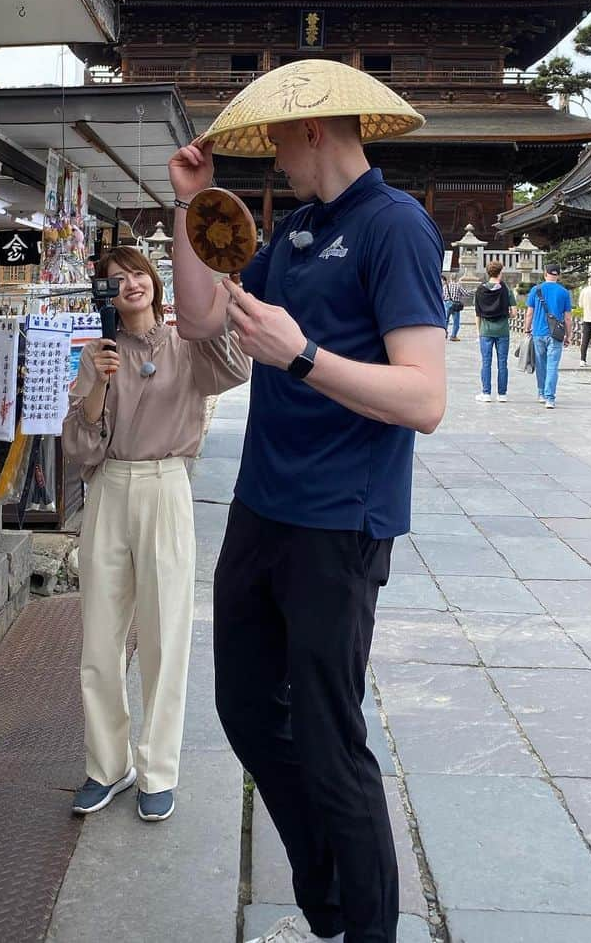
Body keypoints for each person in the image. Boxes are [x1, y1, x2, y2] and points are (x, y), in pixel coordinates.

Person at [168, 60, 446, 943]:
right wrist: (191, 210)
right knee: (245, 709)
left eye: (279, 140)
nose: (274, 158)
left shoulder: (395, 228)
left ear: (313, 128)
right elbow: (203, 321)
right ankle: (324, 900)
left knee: (332, 742)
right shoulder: (291, 236)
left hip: (340, 519)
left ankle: (363, 928)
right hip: (262, 508)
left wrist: (301, 357)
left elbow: (426, 399)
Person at [62, 246, 249, 824]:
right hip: (111, 488)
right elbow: (81, 448)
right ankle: (106, 764)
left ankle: (158, 770)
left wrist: (213, 294)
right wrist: (93, 383)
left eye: (137, 273)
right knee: (101, 635)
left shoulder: (187, 345)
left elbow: (237, 367)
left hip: (168, 484)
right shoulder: (98, 354)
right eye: (116, 279)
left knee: (166, 634)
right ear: (107, 295)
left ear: (155, 282)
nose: (129, 284)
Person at [525, 264, 573, 409]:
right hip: (556, 334)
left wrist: (527, 329)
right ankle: (550, 398)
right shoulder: (564, 292)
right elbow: (568, 318)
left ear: (545, 274)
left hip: (539, 332)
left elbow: (529, 313)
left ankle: (541, 393)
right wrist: (568, 335)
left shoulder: (536, 290)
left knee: (541, 364)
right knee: (553, 365)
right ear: (558, 275)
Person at [474, 260, 511, 402]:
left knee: (486, 362)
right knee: (502, 363)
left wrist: (478, 332)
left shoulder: (480, 289)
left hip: (486, 330)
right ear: (500, 272)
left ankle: (486, 393)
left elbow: (477, 313)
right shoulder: (505, 288)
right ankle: (502, 394)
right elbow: (513, 311)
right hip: (502, 331)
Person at [444, 273, 465, 341]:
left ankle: (444, 334)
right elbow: (465, 293)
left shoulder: (445, 286)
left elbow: (442, 296)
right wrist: (474, 292)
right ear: (456, 278)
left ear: (450, 278)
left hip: (447, 304)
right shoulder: (458, 286)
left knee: (446, 320)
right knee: (456, 322)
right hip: (455, 305)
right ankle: (453, 336)